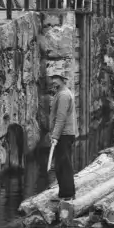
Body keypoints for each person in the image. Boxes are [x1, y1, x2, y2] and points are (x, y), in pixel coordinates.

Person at [48, 73, 77, 203]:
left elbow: (61, 117)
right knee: (61, 165)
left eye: (55, 79)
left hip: (64, 135)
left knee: (63, 165)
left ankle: (67, 194)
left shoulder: (64, 95)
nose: (52, 81)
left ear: (61, 80)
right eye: (52, 79)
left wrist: (55, 136)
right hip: (63, 134)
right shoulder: (61, 94)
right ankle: (65, 193)